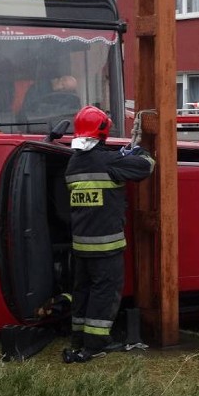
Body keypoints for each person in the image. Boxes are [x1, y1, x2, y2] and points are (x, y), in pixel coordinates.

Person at [62, 105, 155, 364]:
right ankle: (96, 344)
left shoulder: (73, 163)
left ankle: (79, 340)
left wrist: (120, 157)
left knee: (83, 293)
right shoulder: (109, 161)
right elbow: (145, 167)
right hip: (106, 247)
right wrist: (138, 152)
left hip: (81, 247)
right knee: (104, 294)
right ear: (103, 131)